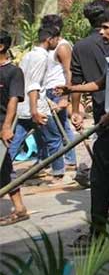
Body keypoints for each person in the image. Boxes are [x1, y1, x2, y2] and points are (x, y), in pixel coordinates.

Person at [55, 7, 109, 239]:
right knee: (101, 181)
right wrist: (71, 88)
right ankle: (99, 233)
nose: (101, 33)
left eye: (106, 28)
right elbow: (100, 84)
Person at [70, 0, 109, 208]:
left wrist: (75, 110)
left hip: (101, 108)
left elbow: (76, 80)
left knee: (107, 157)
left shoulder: (80, 46)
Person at [19, 27, 65, 180]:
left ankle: (39, 164)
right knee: (54, 138)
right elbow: (34, 85)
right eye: (57, 39)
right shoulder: (42, 58)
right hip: (37, 108)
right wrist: (35, 111)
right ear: (49, 39)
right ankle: (58, 171)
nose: (58, 42)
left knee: (15, 142)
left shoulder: (28, 56)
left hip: (23, 106)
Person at [40, 15, 77, 170]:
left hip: (57, 90)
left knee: (61, 127)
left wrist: (65, 95)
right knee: (58, 125)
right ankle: (62, 159)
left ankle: (69, 159)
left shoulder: (62, 47)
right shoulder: (50, 46)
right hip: (47, 90)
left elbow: (69, 71)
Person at [0, 30, 28, 226]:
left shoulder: (13, 72)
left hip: (2, 125)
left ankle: (19, 209)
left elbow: (13, 100)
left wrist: (7, 126)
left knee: (5, 166)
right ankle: (19, 208)